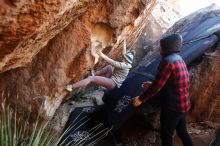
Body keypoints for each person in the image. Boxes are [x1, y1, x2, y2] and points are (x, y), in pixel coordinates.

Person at [133, 34, 194, 146]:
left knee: (166, 135)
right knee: (182, 132)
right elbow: (175, 83)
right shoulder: (179, 59)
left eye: (161, 46)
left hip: (173, 108)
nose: (158, 48)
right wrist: (152, 84)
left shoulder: (167, 62)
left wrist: (140, 99)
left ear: (167, 47)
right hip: (184, 105)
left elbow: (157, 87)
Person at [66, 43, 134, 92]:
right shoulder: (126, 64)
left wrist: (102, 55)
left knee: (90, 78)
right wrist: (124, 43)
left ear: (126, 60)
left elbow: (113, 62)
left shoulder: (124, 65)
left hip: (111, 82)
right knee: (109, 67)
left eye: (124, 58)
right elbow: (124, 54)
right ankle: (95, 74)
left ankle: (72, 87)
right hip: (111, 80)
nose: (122, 58)